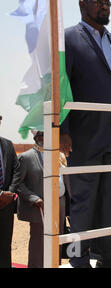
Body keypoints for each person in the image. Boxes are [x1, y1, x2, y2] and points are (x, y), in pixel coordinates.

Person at [60, 0, 111, 268]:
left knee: (109, 201)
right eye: (99, 2)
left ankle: (108, 256)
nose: (105, 7)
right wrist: (63, 130)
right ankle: (78, 261)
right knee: (81, 203)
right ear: (83, 4)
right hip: (82, 136)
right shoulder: (67, 38)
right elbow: (61, 86)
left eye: (108, 3)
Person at [15, 131, 67, 268]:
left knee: (57, 241)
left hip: (60, 203)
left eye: (47, 134)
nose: (44, 137)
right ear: (36, 137)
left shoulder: (60, 155)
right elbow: (18, 184)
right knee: (39, 243)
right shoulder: (26, 157)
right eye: (41, 135)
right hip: (40, 205)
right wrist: (34, 199)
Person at [0, 115, 21, 268]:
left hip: (6, 205)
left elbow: (16, 170)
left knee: (4, 244)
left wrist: (11, 192)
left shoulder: (7, 145)